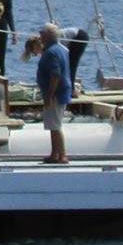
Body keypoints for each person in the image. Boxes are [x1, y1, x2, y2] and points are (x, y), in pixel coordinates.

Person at [35, 22, 73, 163]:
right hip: (59, 92)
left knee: (55, 125)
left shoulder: (51, 52)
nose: (40, 36)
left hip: (56, 94)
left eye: (42, 34)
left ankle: (62, 154)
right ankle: (54, 153)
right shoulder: (60, 49)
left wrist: (49, 96)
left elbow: (55, 75)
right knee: (52, 124)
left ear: (48, 36)